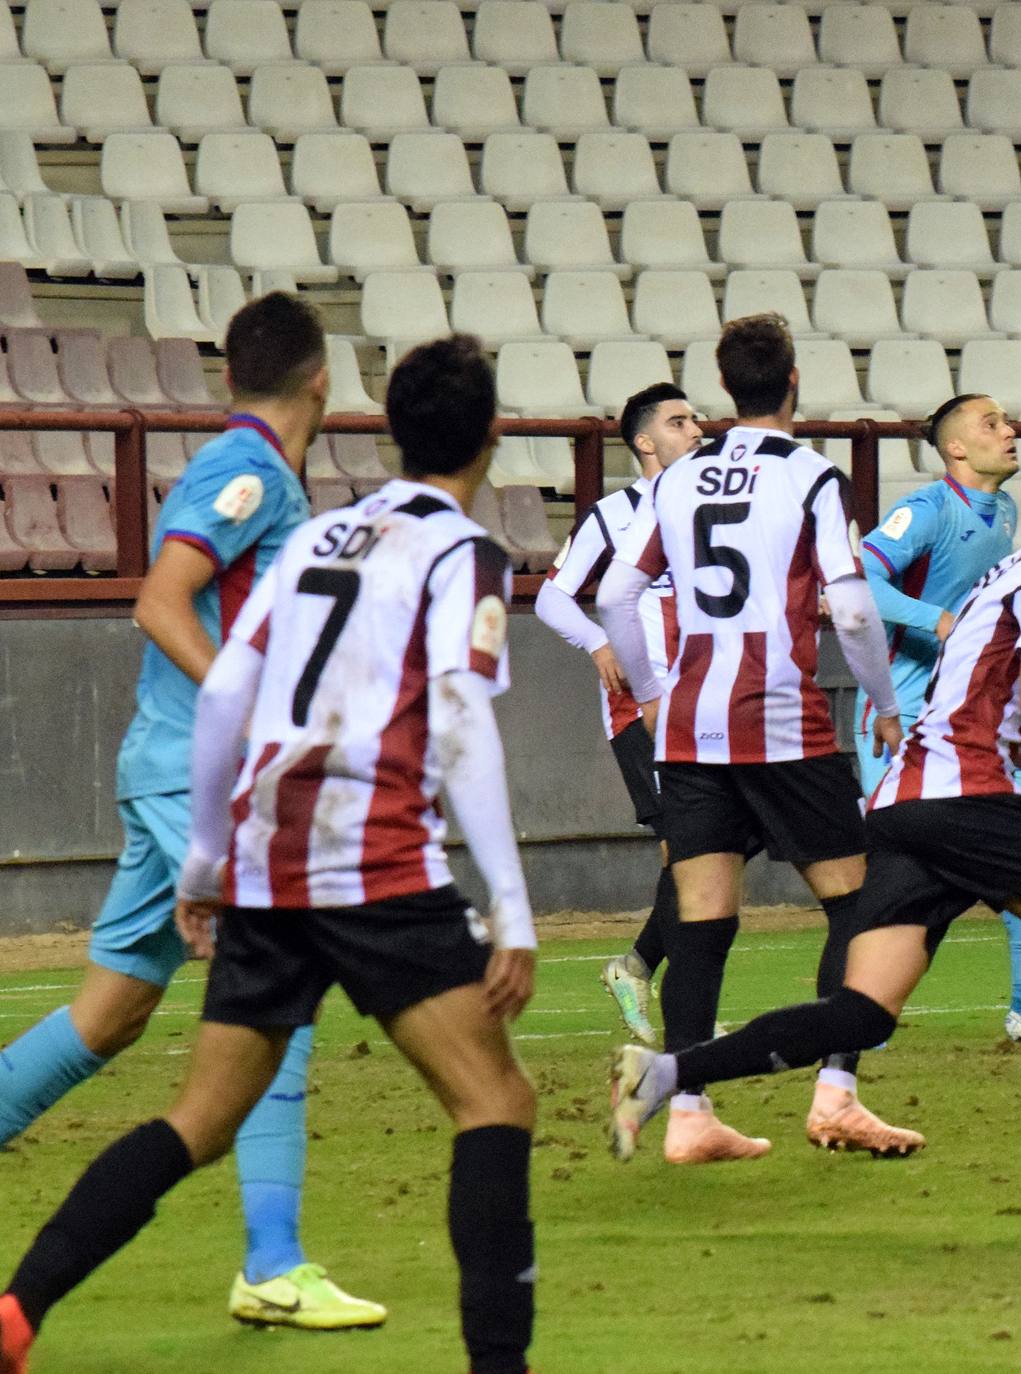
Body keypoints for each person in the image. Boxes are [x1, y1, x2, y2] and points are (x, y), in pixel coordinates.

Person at [0, 335, 540, 1374]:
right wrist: (510, 910)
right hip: (373, 860)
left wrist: (207, 859)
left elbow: (231, 695)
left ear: (387, 433)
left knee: (197, 1119)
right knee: (495, 1102)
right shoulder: (462, 555)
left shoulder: (320, 535)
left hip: (266, 859)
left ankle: (18, 1311)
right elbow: (462, 717)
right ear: (492, 437)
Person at [610, 439, 1021, 1216]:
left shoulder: (1013, 571)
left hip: (904, 804)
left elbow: (995, 712)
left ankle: (665, 1075)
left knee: (861, 1011)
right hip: (968, 802)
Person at [0, 293, 382, 1330]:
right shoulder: (244, 469)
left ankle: (272, 1260)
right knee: (281, 981)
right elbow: (160, 599)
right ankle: (273, 1261)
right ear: (323, 380)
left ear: (229, 375)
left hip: (178, 771)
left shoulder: (264, 473)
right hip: (194, 774)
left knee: (109, 1015)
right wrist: (247, 707)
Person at [595, 314, 921, 1164]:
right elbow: (850, 607)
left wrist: (659, 692)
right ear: (796, 380)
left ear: (723, 386)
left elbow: (615, 597)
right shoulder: (812, 476)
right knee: (860, 901)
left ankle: (689, 1114)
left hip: (692, 729)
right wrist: (883, 702)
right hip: (780, 721)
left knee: (701, 915)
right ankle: (837, 1094)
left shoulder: (679, 474)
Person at [857, 393, 1021, 1044]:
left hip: (974, 713)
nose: (1010, 431)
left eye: (1006, 422)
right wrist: (939, 621)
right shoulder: (926, 511)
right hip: (904, 713)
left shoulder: (1004, 509)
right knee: (898, 872)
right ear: (956, 448)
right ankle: (856, 1013)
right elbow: (858, 578)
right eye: (992, 424)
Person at [535, 381, 698, 1045]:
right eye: (679, 421)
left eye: (696, 419)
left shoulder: (710, 510)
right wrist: (598, 641)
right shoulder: (614, 514)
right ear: (644, 441)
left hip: (704, 702)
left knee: (707, 847)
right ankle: (672, 993)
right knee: (693, 850)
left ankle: (640, 967)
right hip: (643, 708)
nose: (697, 430)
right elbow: (553, 598)